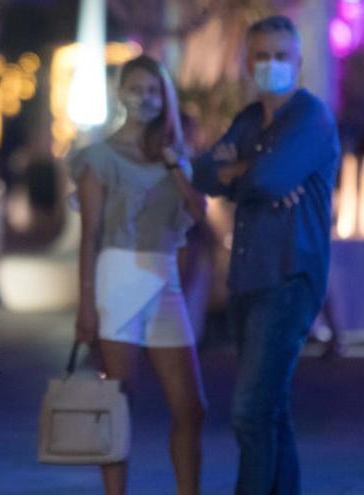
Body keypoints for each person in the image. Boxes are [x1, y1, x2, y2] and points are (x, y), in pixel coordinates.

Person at [192, 16, 340, 495]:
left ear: (297, 62)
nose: (270, 64)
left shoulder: (311, 117)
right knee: (271, 409)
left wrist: (245, 171)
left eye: (280, 55)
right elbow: (203, 172)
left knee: (250, 410)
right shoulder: (249, 119)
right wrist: (251, 170)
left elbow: (269, 180)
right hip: (248, 276)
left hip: (290, 276)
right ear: (246, 60)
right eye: (261, 54)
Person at [73, 54, 207, 495]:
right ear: (120, 93)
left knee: (191, 407)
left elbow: (196, 213)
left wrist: (172, 162)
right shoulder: (99, 157)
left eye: (153, 90)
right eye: (136, 88)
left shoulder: (174, 157)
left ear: (164, 97)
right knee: (118, 404)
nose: (144, 98)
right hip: (116, 279)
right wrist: (86, 306)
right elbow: (88, 236)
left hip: (163, 279)